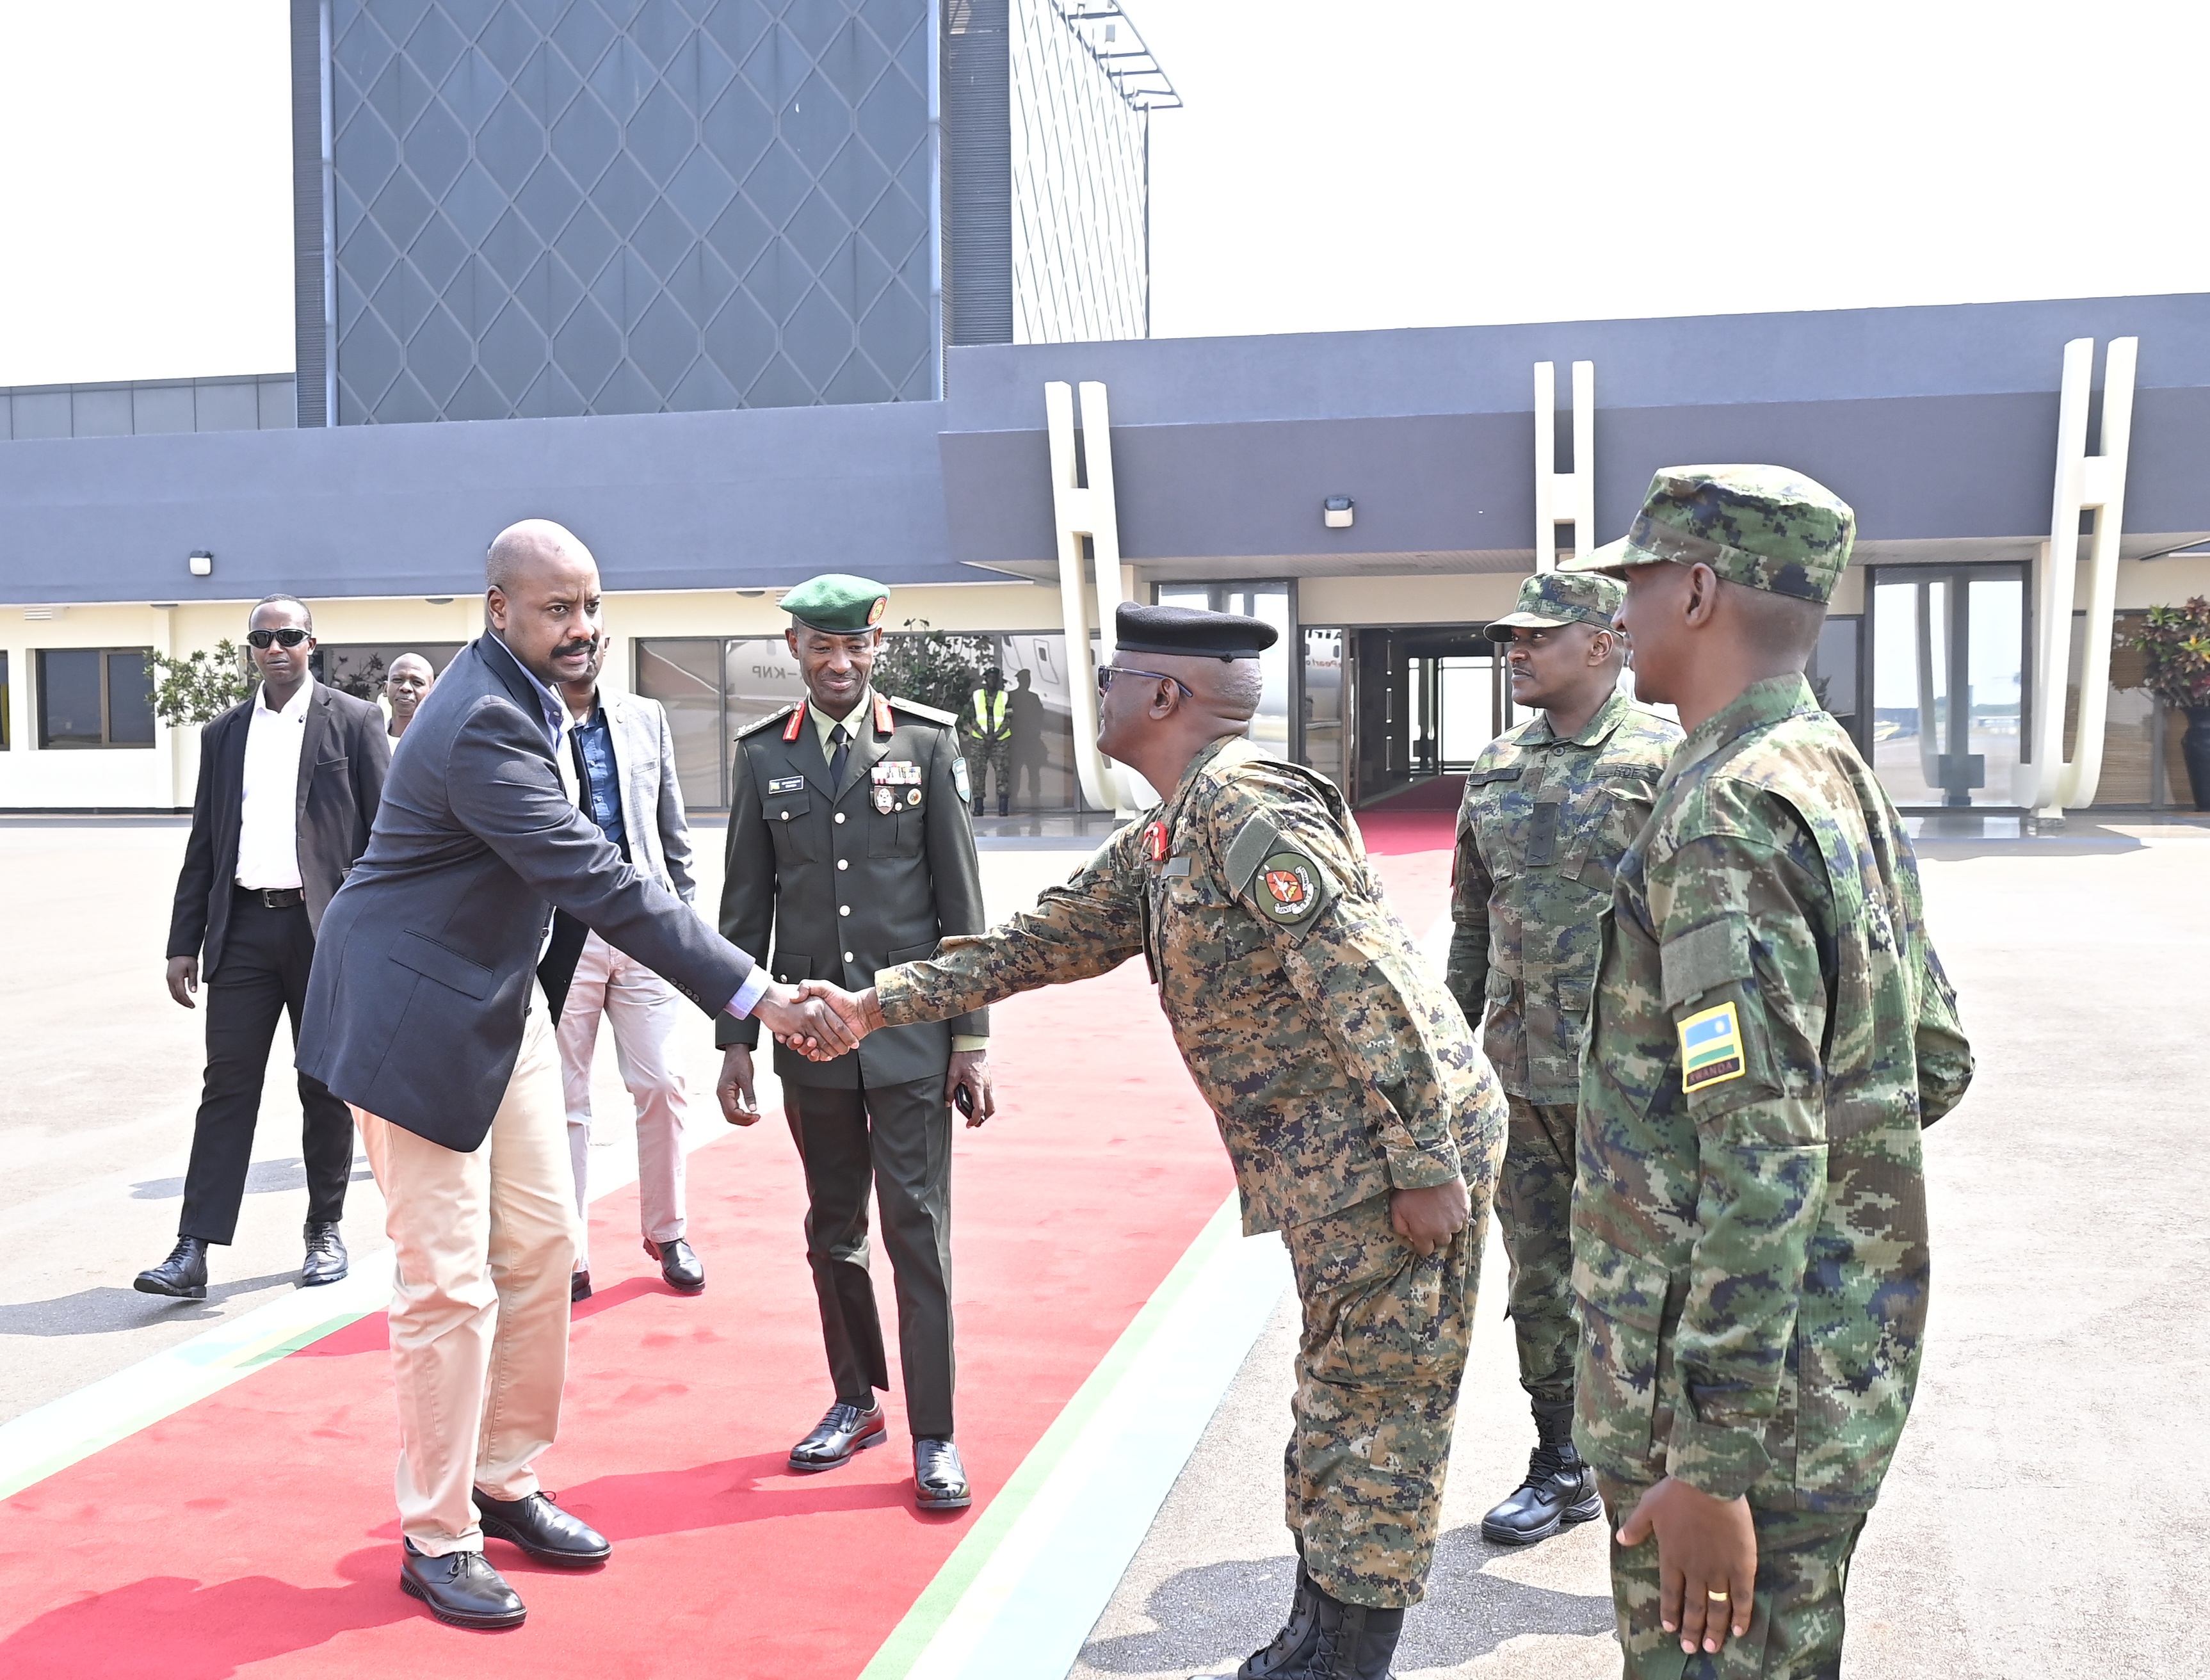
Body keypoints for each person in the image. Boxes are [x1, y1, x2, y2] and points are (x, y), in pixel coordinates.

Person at [809, 602, 1508, 1679]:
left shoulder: (1244, 807)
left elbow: (1373, 984)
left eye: (1110, 676)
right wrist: (872, 1005)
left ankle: (1348, 1660)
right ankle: (1316, 1631)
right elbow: (1039, 939)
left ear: (1165, 695)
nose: (1097, 694)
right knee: (1338, 1395)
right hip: (1339, 1166)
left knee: (1380, 1415)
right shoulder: (1174, 827)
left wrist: (1425, 1165)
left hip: (1391, 1157)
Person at [298, 519, 857, 1633]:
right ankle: (437, 1532)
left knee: (546, 1245)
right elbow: (601, 878)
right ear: (498, 608)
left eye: (592, 605)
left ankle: (502, 1477)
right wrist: (756, 994)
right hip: (411, 1019)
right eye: (557, 608)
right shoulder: (484, 720)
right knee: (447, 1281)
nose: (583, 627)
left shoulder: (532, 695)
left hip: (495, 1004)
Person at [1560, 467, 1974, 1676]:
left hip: (1730, 1414)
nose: (1620, 608)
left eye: (1638, 581)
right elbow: (1933, 1056)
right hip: (1831, 1360)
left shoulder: (1724, 813)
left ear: (1698, 591)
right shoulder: (1829, 767)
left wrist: (1712, 1457)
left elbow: (1762, 1147)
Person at [714, 572, 992, 1512]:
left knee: (917, 1232)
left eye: (856, 647)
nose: (840, 663)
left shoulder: (925, 741)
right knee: (833, 1229)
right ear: (793, 648)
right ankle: (855, 1400)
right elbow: (744, 909)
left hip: (910, 1034)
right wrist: (737, 1038)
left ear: (877, 649)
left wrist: (971, 1039)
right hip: (813, 1040)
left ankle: (934, 1431)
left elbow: (961, 903)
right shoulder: (763, 755)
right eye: (822, 647)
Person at [1444, 572, 1681, 1546]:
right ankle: (1562, 1461)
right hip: (1517, 1073)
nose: (1517, 651)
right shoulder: (1496, 764)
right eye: (1511, 637)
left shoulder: (1666, 758)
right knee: (1540, 1279)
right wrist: (1450, 1056)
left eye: (1538, 636)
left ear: (1603, 642)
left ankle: (1667, 1475)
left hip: (1632, 1083)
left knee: (1647, 1280)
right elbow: (1472, 920)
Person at [138, 595, 390, 1300]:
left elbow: (388, 835)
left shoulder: (355, 720)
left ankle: (324, 1229)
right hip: (243, 929)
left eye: (288, 635)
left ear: (312, 643)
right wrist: (183, 940)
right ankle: (193, 1248)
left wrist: (378, 937)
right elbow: (205, 842)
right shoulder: (224, 733)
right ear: (250, 649)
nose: (275, 647)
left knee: (324, 1086)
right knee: (227, 1087)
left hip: (326, 933)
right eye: (262, 638)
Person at [546, 637, 706, 1302]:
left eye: (590, 638)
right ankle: (568, 1251)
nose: (578, 648)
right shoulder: (524, 720)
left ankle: (669, 1232)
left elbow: (672, 829)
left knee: (663, 1082)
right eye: (565, 639)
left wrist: (683, 924)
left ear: (605, 646)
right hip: (560, 934)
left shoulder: (646, 716)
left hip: (643, 925)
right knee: (564, 1100)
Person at [960, 663, 1012, 816]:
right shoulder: (977, 696)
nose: (992, 681)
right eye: (990, 678)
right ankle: (978, 808)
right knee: (978, 773)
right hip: (980, 740)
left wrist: (995, 736)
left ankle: (1003, 808)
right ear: (986, 680)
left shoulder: (1005, 697)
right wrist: (984, 735)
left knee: (1002, 773)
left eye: (995, 678)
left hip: (1000, 741)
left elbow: (1008, 719)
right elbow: (971, 717)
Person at [1004, 667, 1047, 807]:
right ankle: (1015, 798)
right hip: (1018, 739)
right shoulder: (1014, 696)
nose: (1027, 683)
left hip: (1028, 739)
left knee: (1032, 770)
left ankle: (1034, 798)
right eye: (1025, 680)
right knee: (1017, 771)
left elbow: (1040, 716)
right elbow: (1007, 717)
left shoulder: (1031, 697)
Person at [383, 652, 435, 740]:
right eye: (398, 680)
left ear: (432, 693)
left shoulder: (442, 742)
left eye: (417, 682)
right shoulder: (369, 739)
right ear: (385, 689)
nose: (406, 688)